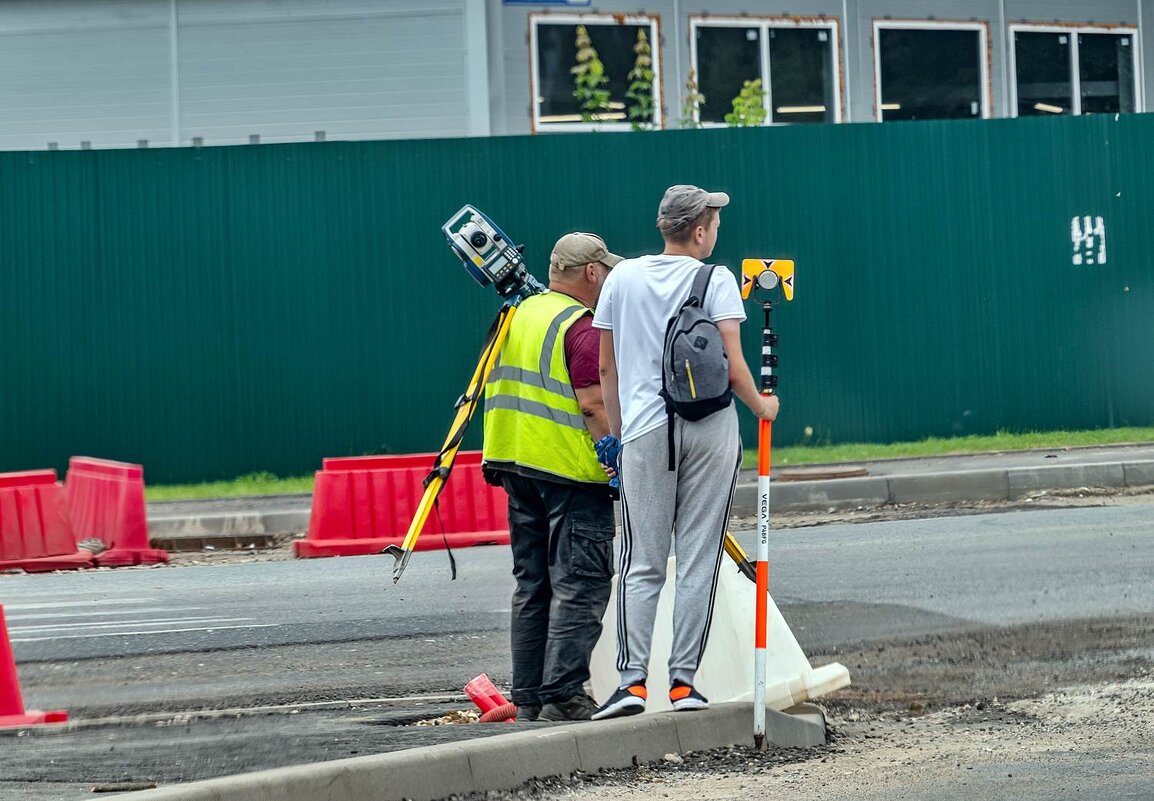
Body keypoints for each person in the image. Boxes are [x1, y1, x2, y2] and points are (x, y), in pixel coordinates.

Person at [590, 185, 779, 719]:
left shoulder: (620, 278)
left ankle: (631, 684)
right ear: (698, 230)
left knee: (641, 562)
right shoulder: (714, 278)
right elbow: (735, 366)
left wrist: (621, 434)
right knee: (698, 559)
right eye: (714, 223)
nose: (716, 232)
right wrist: (763, 409)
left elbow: (607, 368)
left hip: (647, 432)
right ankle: (682, 684)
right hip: (712, 428)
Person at [482, 232, 623, 722]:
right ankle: (564, 690)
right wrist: (616, 458)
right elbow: (591, 402)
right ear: (591, 272)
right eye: (604, 271)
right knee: (581, 581)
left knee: (532, 583)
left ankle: (529, 696)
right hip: (569, 471)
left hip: (515, 464)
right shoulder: (580, 326)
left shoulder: (518, 314)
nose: (606, 280)